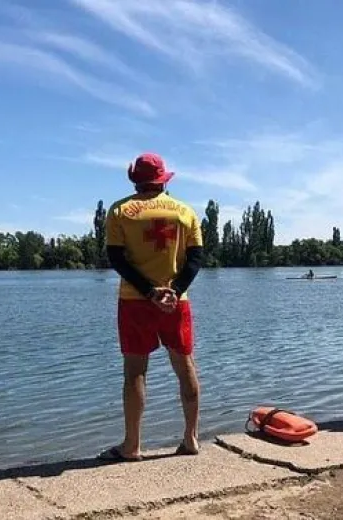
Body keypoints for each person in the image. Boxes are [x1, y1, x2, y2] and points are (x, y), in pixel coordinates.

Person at [102, 152, 204, 461]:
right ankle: (191, 438)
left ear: (135, 179)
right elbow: (196, 259)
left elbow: (117, 259)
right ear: (163, 179)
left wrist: (149, 292)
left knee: (135, 372)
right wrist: (173, 292)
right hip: (176, 303)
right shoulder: (185, 212)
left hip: (135, 301)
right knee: (185, 367)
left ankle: (132, 445)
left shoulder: (119, 211)